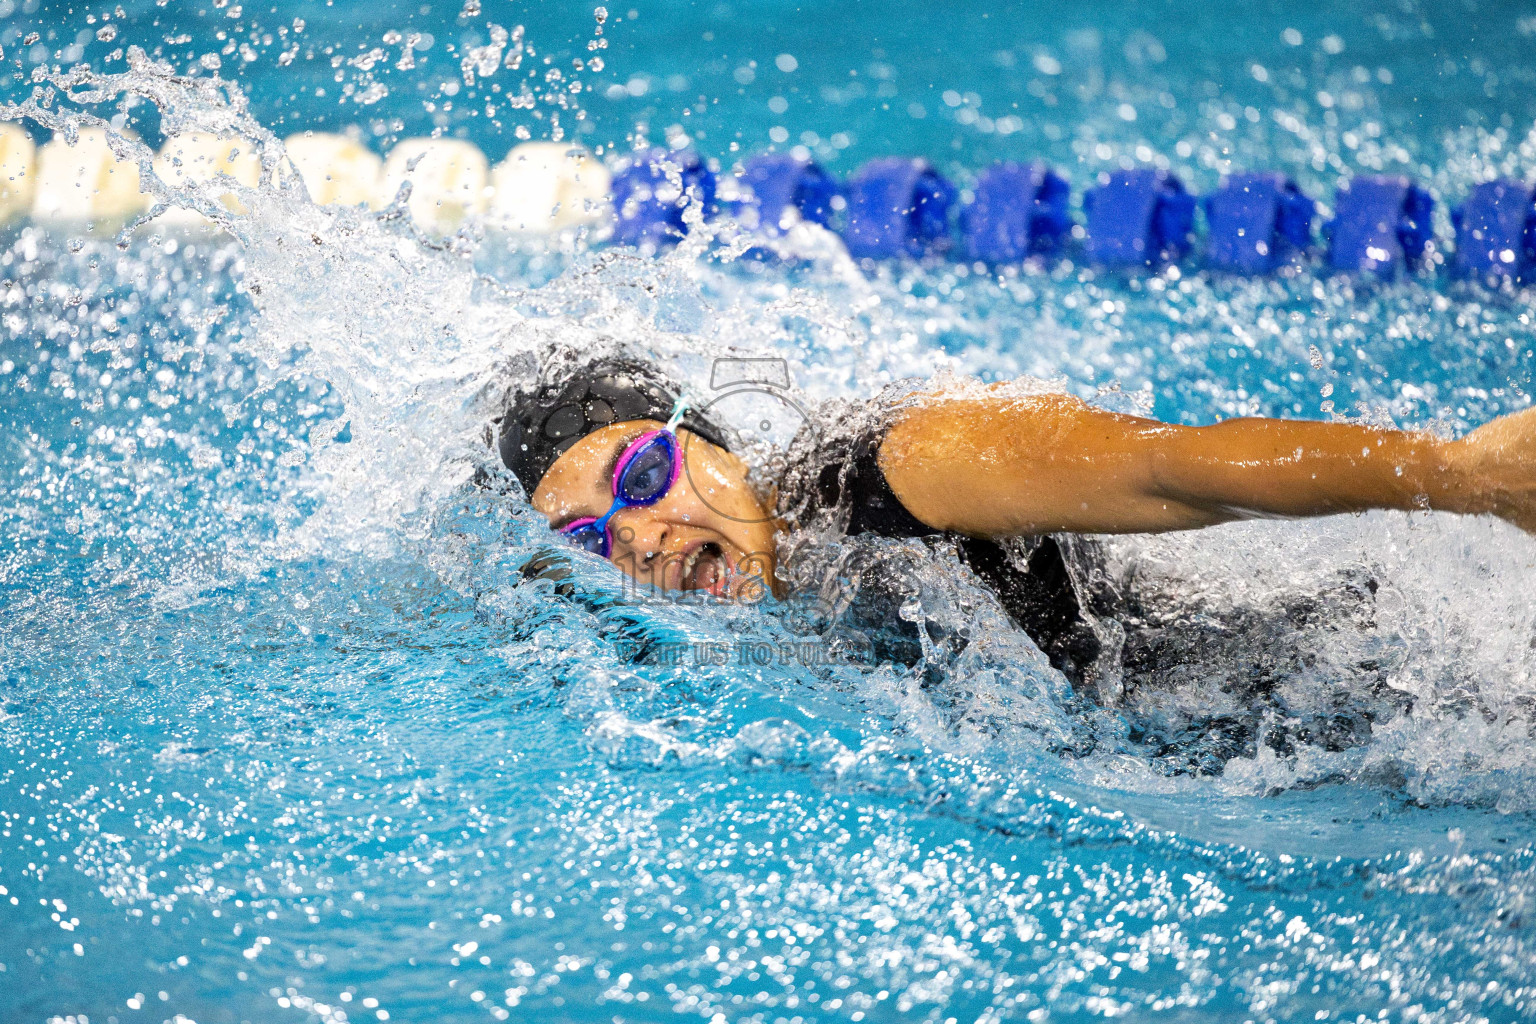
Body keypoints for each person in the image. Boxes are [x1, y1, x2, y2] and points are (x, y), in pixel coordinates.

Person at [493, 353, 1535, 699]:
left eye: (639, 473)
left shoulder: (900, 463)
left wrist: (1462, 474)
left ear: (709, 438)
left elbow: (1173, 466)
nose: (639, 541)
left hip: (1332, 688)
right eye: (590, 539)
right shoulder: (720, 626)